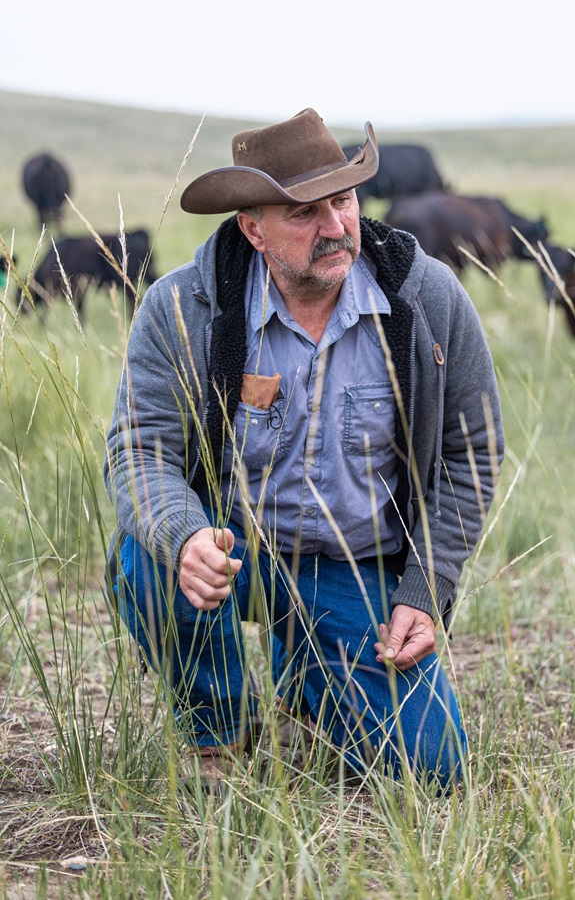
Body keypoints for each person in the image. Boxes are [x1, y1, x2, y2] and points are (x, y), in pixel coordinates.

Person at [104, 107, 504, 787]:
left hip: (356, 567)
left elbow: (474, 454)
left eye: (342, 201)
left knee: (434, 773)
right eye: (303, 213)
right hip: (233, 552)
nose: (334, 227)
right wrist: (186, 534)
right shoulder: (182, 309)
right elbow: (140, 449)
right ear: (253, 229)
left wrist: (425, 588)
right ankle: (219, 734)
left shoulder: (426, 299)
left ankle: (307, 690)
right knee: (148, 556)